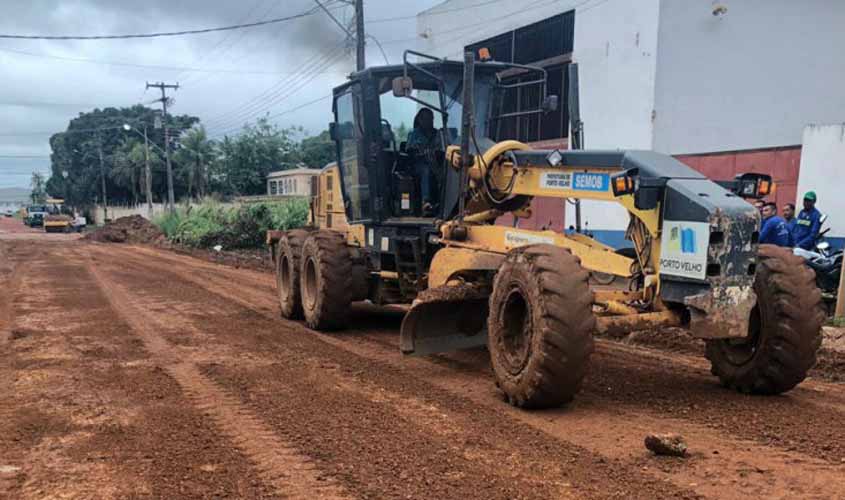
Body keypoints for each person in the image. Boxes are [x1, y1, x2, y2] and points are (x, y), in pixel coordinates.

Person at [407, 108, 439, 214]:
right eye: (425, 119)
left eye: (430, 119)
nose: (428, 121)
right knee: (426, 170)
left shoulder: (437, 134)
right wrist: (418, 152)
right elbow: (409, 151)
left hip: (435, 163)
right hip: (418, 165)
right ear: (420, 120)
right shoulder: (414, 134)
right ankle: (425, 202)